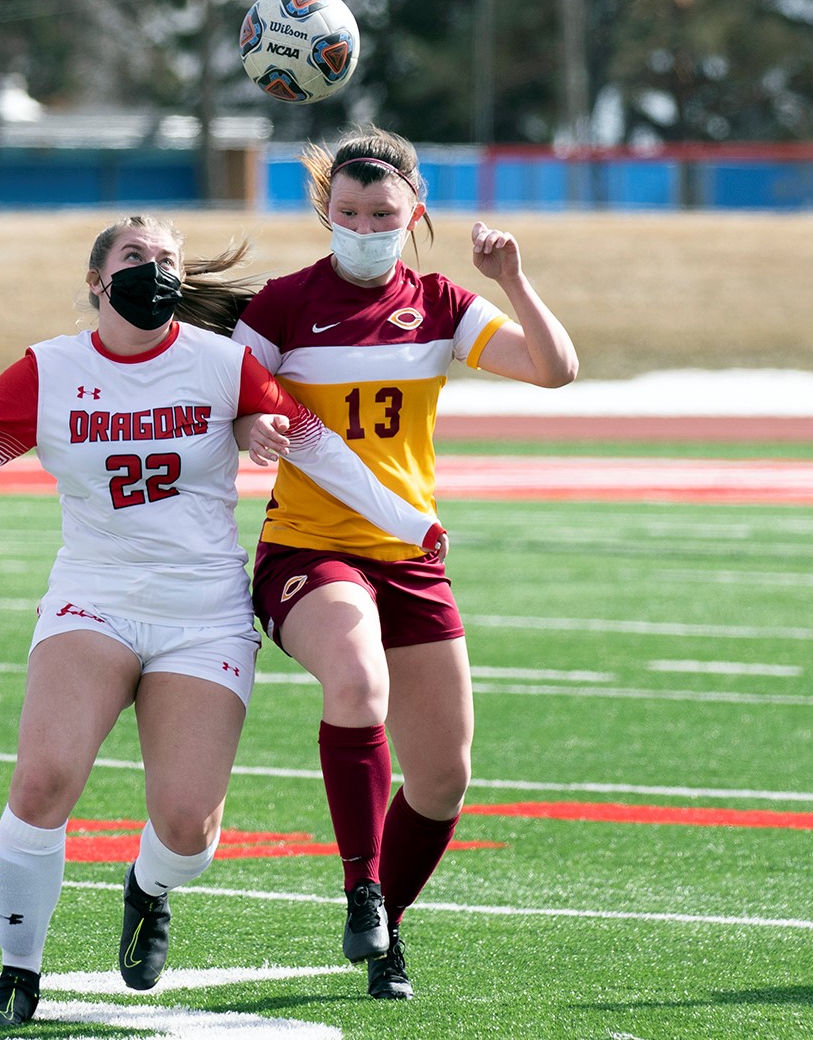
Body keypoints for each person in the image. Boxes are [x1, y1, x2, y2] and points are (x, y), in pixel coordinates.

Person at [0, 215, 446, 1028]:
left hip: (203, 611)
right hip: (95, 596)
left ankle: (150, 887)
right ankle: (17, 972)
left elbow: (315, 445)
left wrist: (405, 521)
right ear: (96, 280)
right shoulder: (52, 367)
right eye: (134, 258)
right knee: (45, 778)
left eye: (166, 261)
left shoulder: (222, 363)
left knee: (188, 830)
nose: (151, 271)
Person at [231, 126, 578, 1000]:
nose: (363, 225)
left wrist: (513, 280)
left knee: (444, 778)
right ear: (325, 212)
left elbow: (555, 368)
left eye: (381, 212)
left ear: (412, 211)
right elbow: (227, 402)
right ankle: (364, 888)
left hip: (410, 558)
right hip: (309, 550)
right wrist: (251, 426)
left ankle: (386, 935)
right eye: (347, 211)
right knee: (356, 684)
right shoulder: (280, 304)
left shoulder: (441, 302)